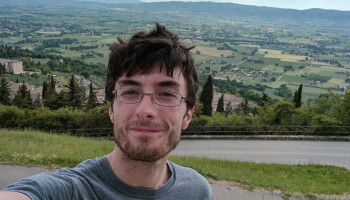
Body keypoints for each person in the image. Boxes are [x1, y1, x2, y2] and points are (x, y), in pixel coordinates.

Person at [0, 23, 213, 200]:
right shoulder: (70, 191)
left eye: (167, 94)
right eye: (130, 92)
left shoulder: (197, 191)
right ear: (111, 108)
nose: (145, 110)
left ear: (188, 115)